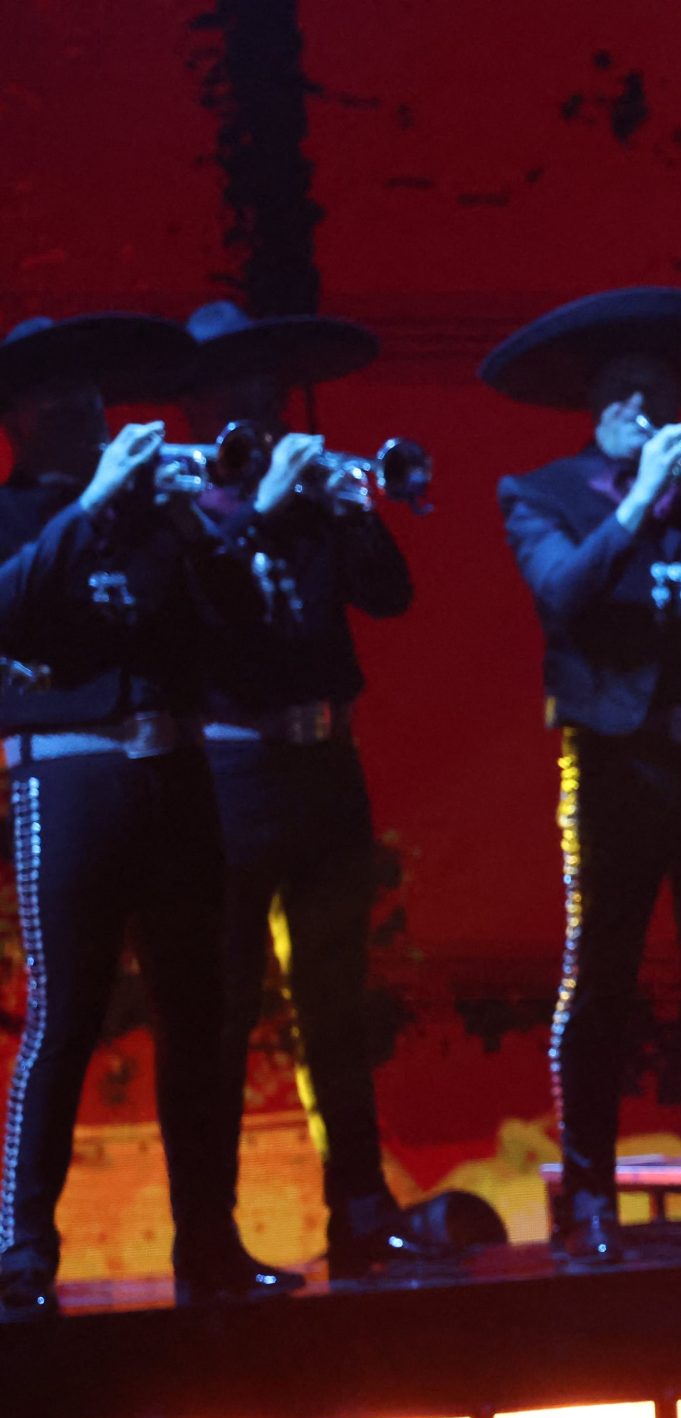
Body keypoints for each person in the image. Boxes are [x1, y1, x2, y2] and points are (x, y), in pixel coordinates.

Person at [483, 287, 681, 1265]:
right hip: (618, 763)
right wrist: (632, 499)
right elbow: (561, 595)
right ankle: (591, 1203)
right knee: (604, 982)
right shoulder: (539, 492)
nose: (646, 408)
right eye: (626, 393)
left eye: (660, 392)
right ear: (599, 410)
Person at [0, 311, 303, 1315]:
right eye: (64, 394)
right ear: (22, 416)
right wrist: (89, 502)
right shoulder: (21, 513)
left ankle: (209, 1245)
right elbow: (14, 605)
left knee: (203, 1016)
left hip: (175, 777)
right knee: (66, 1014)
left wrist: (213, 525)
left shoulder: (149, 514)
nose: (90, 407)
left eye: (95, 391)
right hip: (71, 779)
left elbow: (241, 625)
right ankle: (21, 1249)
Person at [177, 300, 423, 1277]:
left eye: (266, 386)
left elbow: (389, 594)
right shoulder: (175, 500)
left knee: (337, 1007)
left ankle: (359, 1211)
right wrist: (271, 507)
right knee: (225, 1013)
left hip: (325, 766)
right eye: (235, 388)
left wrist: (353, 501)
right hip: (227, 773)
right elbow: (205, 615)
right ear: (199, 403)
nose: (258, 403)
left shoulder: (315, 495)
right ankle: (210, 1233)